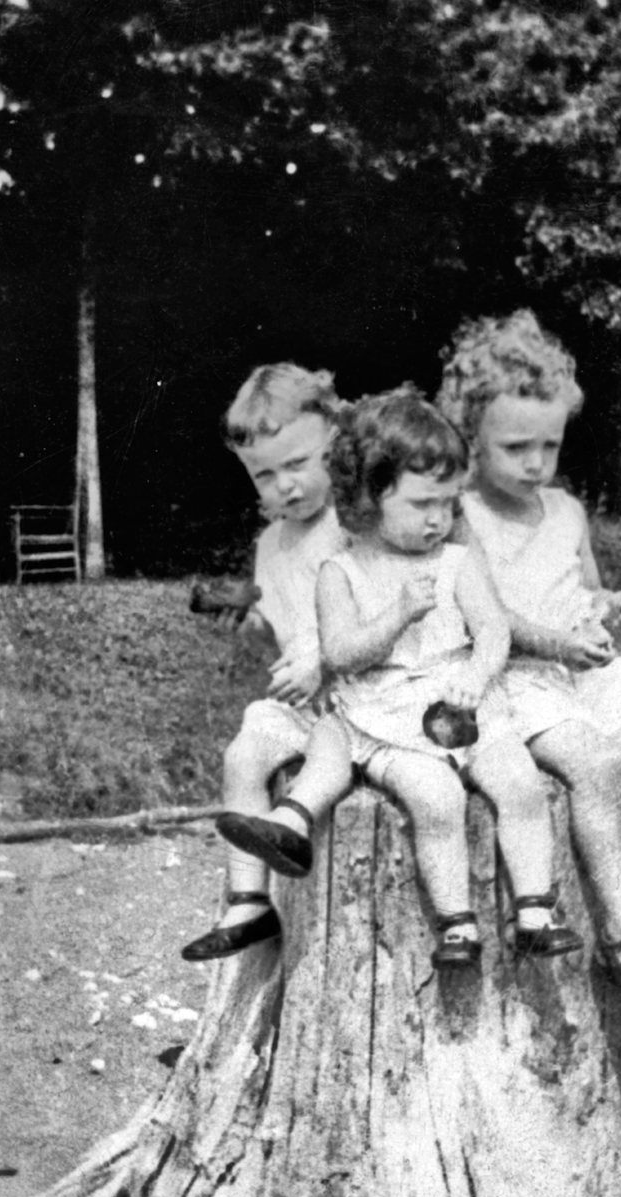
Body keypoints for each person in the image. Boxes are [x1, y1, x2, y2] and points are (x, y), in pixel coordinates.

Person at [217, 386, 584, 968]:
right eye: (422, 505)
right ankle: (456, 923)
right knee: (435, 797)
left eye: (448, 502)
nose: (440, 518)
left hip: (465, 702)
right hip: (387, 711)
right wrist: (394, 618)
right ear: (367, 497)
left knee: (519, 780)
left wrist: (477, 672)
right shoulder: (342, 568)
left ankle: (535, 910)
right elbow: (338, 652)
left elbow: (493, 629)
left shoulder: (457, 562)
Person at [438, 310, 621, 1015]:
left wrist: (616, 607)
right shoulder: (463, 517)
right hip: (516, 681)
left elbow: (583, 593)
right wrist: (561, 644)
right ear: (471, 438)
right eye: (515, 447)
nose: (535, 463)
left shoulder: (563, 511)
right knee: (597, 767)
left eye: (549, 445)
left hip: (582, 673)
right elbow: (487, 617)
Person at [181, 363, 351, 962]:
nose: (286, 486)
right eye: (265, 475)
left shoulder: (360, 525)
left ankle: (293, 821)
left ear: (336, 439)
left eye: (300, 464)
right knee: (243, 752)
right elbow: (279, 635)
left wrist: (323, 655)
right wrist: (250, 626)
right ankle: (249, 899)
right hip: (305, 707)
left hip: (367, 705)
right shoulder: (270, 546)